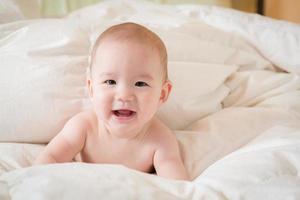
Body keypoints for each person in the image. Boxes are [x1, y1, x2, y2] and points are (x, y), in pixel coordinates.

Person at [34, 22, 189, 181]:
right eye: (110, 82)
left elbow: (177, 186)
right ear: (92, 89)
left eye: (140, 84)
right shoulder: (84, 128)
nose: (124, 95)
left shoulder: (161, 140)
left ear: (162, 95)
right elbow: (50, 158)